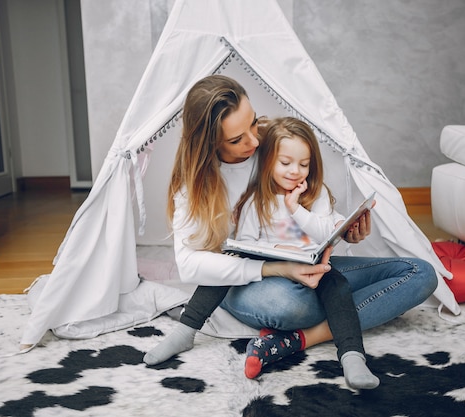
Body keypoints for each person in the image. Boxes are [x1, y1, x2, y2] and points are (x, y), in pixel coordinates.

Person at [143, 75, 438, 380]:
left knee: (420, 274)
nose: (255, 142)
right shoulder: (194, 187)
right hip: (240, 280)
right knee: (294, 305)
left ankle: (296, 340)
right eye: (236, 139)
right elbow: (192, 265)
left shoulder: (275, 146)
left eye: (253, 123)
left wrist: (343, 230)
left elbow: (315, 203)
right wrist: (276, 267)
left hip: (305, 267)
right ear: (209, 143)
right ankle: (190, 330)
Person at [227, 116, 378, 388]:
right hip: (279, 278)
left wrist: (296, 209)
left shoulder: (315, 194)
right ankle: (300, 329)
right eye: (285, 163)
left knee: (338, 286)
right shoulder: (256, 202)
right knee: (294, 304)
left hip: (317, 271)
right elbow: (245, 247)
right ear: (268, 161)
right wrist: (277, 250)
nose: (295, 171)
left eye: (304, 164)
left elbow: (325, 234)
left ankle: (352, 356)